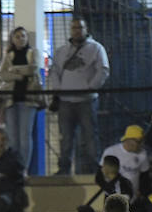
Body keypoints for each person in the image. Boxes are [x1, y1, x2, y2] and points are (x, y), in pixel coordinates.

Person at [47, 17, 110, 175]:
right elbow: (54, 71)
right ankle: (64, 168)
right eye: (74, 28)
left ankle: (93, 168)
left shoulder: (96, 48)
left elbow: (103, 70)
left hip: (86, 100)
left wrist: (90, 87)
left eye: (80, 28)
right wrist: (59, 89)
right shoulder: (61, 51)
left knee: (89, 136)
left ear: (86, 29)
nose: (77, 31)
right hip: (66, 101)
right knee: (66, 138)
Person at [0, 27, 43, 174]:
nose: (20, 39)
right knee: (12, 137)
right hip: (11, 100)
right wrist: (20, 75)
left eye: (23, 36)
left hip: (28, 100)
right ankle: (14, 167)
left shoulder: (33, 52)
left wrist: (14, 70)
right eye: (17, 36)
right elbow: (3, 74)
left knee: (25, 136)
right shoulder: (9, 55)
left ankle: (23, 168)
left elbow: (33, 69)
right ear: (12, 39)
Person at [100, 125, 150, 192]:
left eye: (142, 142)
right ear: (129, 139)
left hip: (132, 197)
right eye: (138, 142)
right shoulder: (111, 152)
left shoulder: (142, 154)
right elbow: (101, 175)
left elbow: (145, 178)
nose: (141, 145)